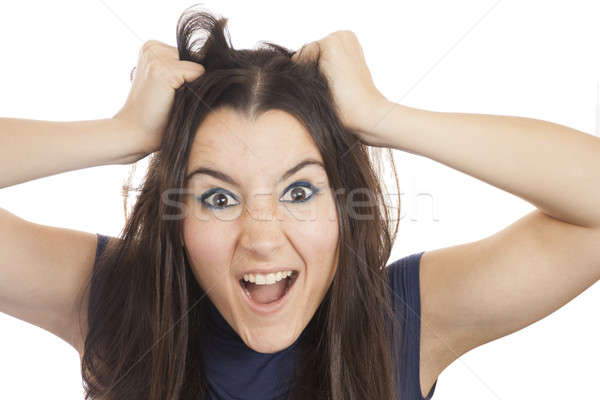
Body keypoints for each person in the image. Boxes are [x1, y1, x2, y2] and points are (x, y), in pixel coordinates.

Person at [1, 5, 599, 400]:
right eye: (217, 196)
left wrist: (382, 117)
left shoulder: (403, 322)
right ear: (176, 217)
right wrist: (120, 134)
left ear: (344, 207)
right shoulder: (118, 302)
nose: (262, 238)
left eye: (299, 191)